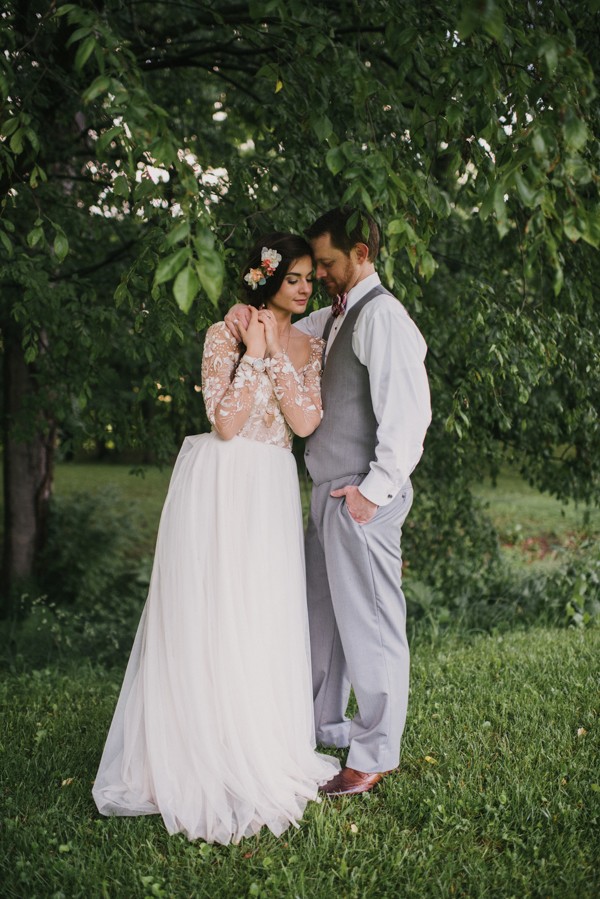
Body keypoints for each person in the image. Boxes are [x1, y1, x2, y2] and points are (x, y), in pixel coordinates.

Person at [92, 233, 340, 844]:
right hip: (221, 482)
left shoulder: (310, 343)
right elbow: (225, 423)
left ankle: (254, 740)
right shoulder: (222, 332)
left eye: (310, 277)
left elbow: (306, 422)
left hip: (270, 485)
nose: (305, 287)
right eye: (294, 278)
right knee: (207, 612)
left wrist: (277, 349)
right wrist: (252, 350)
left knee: (259, 612)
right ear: (265, 279)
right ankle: (194, 747)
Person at [225, 207, 431, 796]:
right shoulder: (335, 317)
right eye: (315, 265)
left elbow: (410, 416)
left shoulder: (383, 317)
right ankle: (323, 725)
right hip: (328, 494)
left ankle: (373, 754)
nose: (321, 274)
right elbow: (289, 328)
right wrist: (251, 312)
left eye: (329, 263)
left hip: (361, 494)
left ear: (362, 253)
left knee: (370, 623)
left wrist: (372, 494)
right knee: (324, 620)